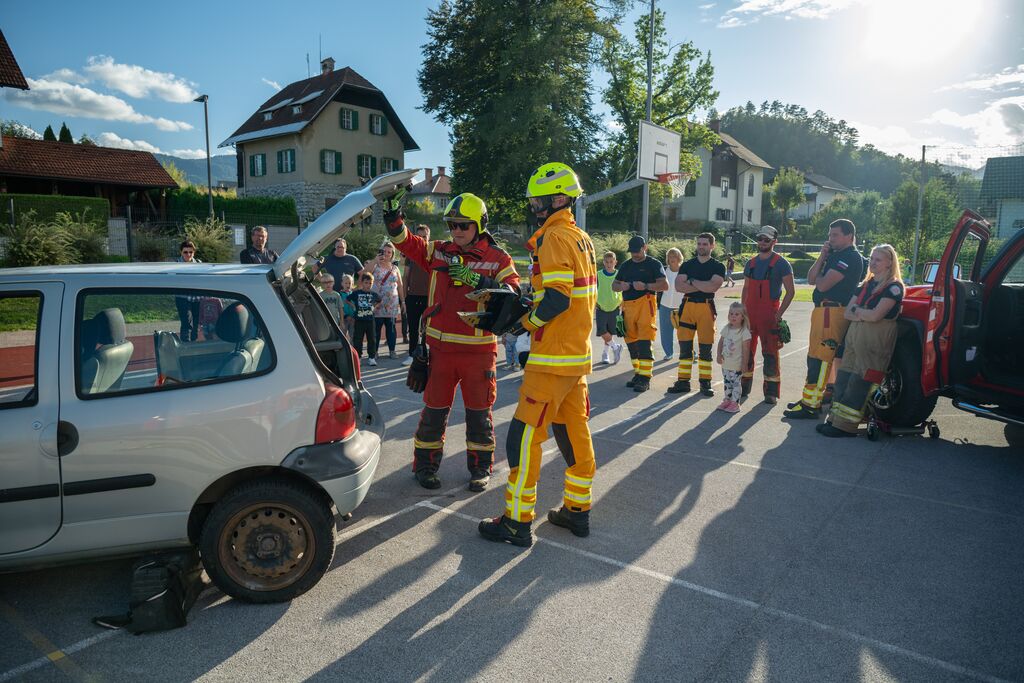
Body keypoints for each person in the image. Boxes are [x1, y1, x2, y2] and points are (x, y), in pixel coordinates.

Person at [477, 161, 597, 548]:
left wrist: (522, 325)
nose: (533, 208)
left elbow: (558, 299)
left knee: (523, 439)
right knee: (574, 433)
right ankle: (577, 510)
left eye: (537, 202)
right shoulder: (580, 237)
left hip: (551, 358)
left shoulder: (554, 238)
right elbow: (563, 295)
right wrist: (529, 304)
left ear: (558, 199)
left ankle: (516, 522)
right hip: (575, 357)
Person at [385, 191, 519, 492]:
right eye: (452, 225)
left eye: (463, 225)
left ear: (479, 225)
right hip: (440, 352)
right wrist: (392, 215)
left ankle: (480, 469)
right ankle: (425, 467)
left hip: (478, 353)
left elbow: (514, 293)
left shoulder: (498, 258)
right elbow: (404, 241)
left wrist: (479, 282)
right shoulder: (438, 251)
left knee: (479, 416)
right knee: (433, 414)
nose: (456, 231)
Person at [818, 244, 904, 437]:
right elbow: (848, 313)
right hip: (855, 337)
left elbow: (876, 316)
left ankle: (845, 427)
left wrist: (859, 312)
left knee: (860, 382)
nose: (873, 263)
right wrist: (863, 313)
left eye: (878, 260)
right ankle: (834, 420)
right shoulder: (866, 285)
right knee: (844, 378)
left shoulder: (894, 288)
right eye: (872, 258)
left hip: (875, 340)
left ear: (889, 263)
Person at [784, 218, 864, 419]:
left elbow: (822, 285)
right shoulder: (835, 255)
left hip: (832, 311)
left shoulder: (849, 256)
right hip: (824, 311)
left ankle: (811, 405)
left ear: (849, 236)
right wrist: (822, 257)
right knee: (816, 356)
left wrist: (820, 277)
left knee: (820, 358)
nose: (830, 239)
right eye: (829, 235)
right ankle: (814, 398)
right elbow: (811, 278)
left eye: (835, 235)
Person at [740, 226, 795, 405]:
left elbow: (790, 292)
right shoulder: (751, 263)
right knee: (746, 351)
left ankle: (771, 392)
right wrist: (742, 310)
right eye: (760, 239)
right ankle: (743, 387)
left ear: (774, 242)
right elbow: (746, 288)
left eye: (767, 240)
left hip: (769, 315)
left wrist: (778, 315)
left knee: (770, 353)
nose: (762, 242)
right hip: (749, 314)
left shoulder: (781, 264)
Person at [669, 233, 726, 397]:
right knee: (685, 348)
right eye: (699, 244)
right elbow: (679, 287)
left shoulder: (718, 266)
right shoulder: (687, 265)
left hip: (706, 308)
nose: (701, 247)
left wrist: (692, 281)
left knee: (705, 348)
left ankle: (705, 383)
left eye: (705, 244)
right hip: (687, 307)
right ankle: (683, 382)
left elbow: (713, 287)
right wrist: (703, 285)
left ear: (712, 246)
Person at [613, 235, 668, 392]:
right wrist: (621, 286)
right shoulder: (626, 265)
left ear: (645, 248)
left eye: (637, 251)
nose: (635, 254)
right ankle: (638, 373)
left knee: (644, 341)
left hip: (646, 304)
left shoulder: (654, 264)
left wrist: (646, 286)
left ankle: (645, 377)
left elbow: (664, 285)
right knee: (631, 342)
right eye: (632, 252)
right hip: (628, 307)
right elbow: (614, 285)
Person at [402, 224, 432, 367]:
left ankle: (425, 355)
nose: (422, 239)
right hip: (413, 296)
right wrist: (404, 298)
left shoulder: (434, 254)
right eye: (419, 236)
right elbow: (405, 277)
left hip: (429, 297)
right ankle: (412, 354)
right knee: (413, 328)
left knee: (428, 329)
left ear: (429, 237)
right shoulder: (411, 254)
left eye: (424, 236)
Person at [716, 302, 752, 413]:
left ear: (742, 317)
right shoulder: (726, 328)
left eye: (737, 314)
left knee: (736, 384)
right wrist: (718, 355)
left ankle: (735, 403)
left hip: (737, 365)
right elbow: (720, 343)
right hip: (726, 364)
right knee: (727, 383)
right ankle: (727, 400)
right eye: (731, 314)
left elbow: (746, 350)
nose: (733, 316)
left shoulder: (744, 332)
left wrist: (744, 364)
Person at [370, 243, 403, 360]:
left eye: (389, 252)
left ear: (393, 254)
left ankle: (392, 351)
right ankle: (374, 352)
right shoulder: (375, 265)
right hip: (377, 304)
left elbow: (400, 286)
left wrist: (403, 302)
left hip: (392, 303)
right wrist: (374, 260)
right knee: (376, 329)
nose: (387, 254)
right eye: (384, 251)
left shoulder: (395, 268)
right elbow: (364, 273)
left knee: (391, 328)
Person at [595, 251, 624, 365]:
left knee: (609, 332)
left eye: (611, 262)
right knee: (602, 331)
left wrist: (623, 302)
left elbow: (623, 289)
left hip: (614, 307)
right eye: (606, 262)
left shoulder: (619, 274)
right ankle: (616, 347)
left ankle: (605, 354)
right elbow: (593, 289)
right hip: (601, 307)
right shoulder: (598, 275)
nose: (609, 264)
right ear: (603, 262)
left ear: (615, 262)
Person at [347, 273, 381, 366]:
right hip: (359, 320)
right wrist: (353, 306)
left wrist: (375, 307)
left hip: (370, 320)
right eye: (366, 283)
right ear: (362, 283)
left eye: (370, 283)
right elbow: (347, 299)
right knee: (358, 339)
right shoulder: (357, 293)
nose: (368, 285)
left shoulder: (374, 294)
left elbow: (379, 301)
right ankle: (358, 357)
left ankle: (371, 358)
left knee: (372, 339)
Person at [659, 247, 684, 361]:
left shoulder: (684, 271)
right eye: (670, 256)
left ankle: (689, 352)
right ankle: (668, 353)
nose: (672, 259)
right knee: (665, 332)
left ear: (679, 258)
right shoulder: (663, 271)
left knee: (684, 332)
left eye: (674, 256)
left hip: (680, 306)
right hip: (665, 305)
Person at [175, 240, 201, 342]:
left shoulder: (199, 263)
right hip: (182, 298)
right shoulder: (176, 264)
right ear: (181, 252)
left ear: (194, 252)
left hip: (197, 297)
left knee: (196, 325)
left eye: (191, 252)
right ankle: (185, 346)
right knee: (186, 324)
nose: (188, 254)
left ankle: (193, 345)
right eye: (185, 252)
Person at [339, 273, 356, 339]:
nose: (348, 285)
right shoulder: (339, 294)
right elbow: (339, 307)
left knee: (353, 336)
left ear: (352, 284)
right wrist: (345, 316)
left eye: (349, 283)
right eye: (346, 283)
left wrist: (354, 316)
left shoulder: (354, 294)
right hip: (344, 319)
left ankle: (352, 345)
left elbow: (355, 306)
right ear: (342, 284)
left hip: (352, 319)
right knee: (343, 335)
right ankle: (343, 345)